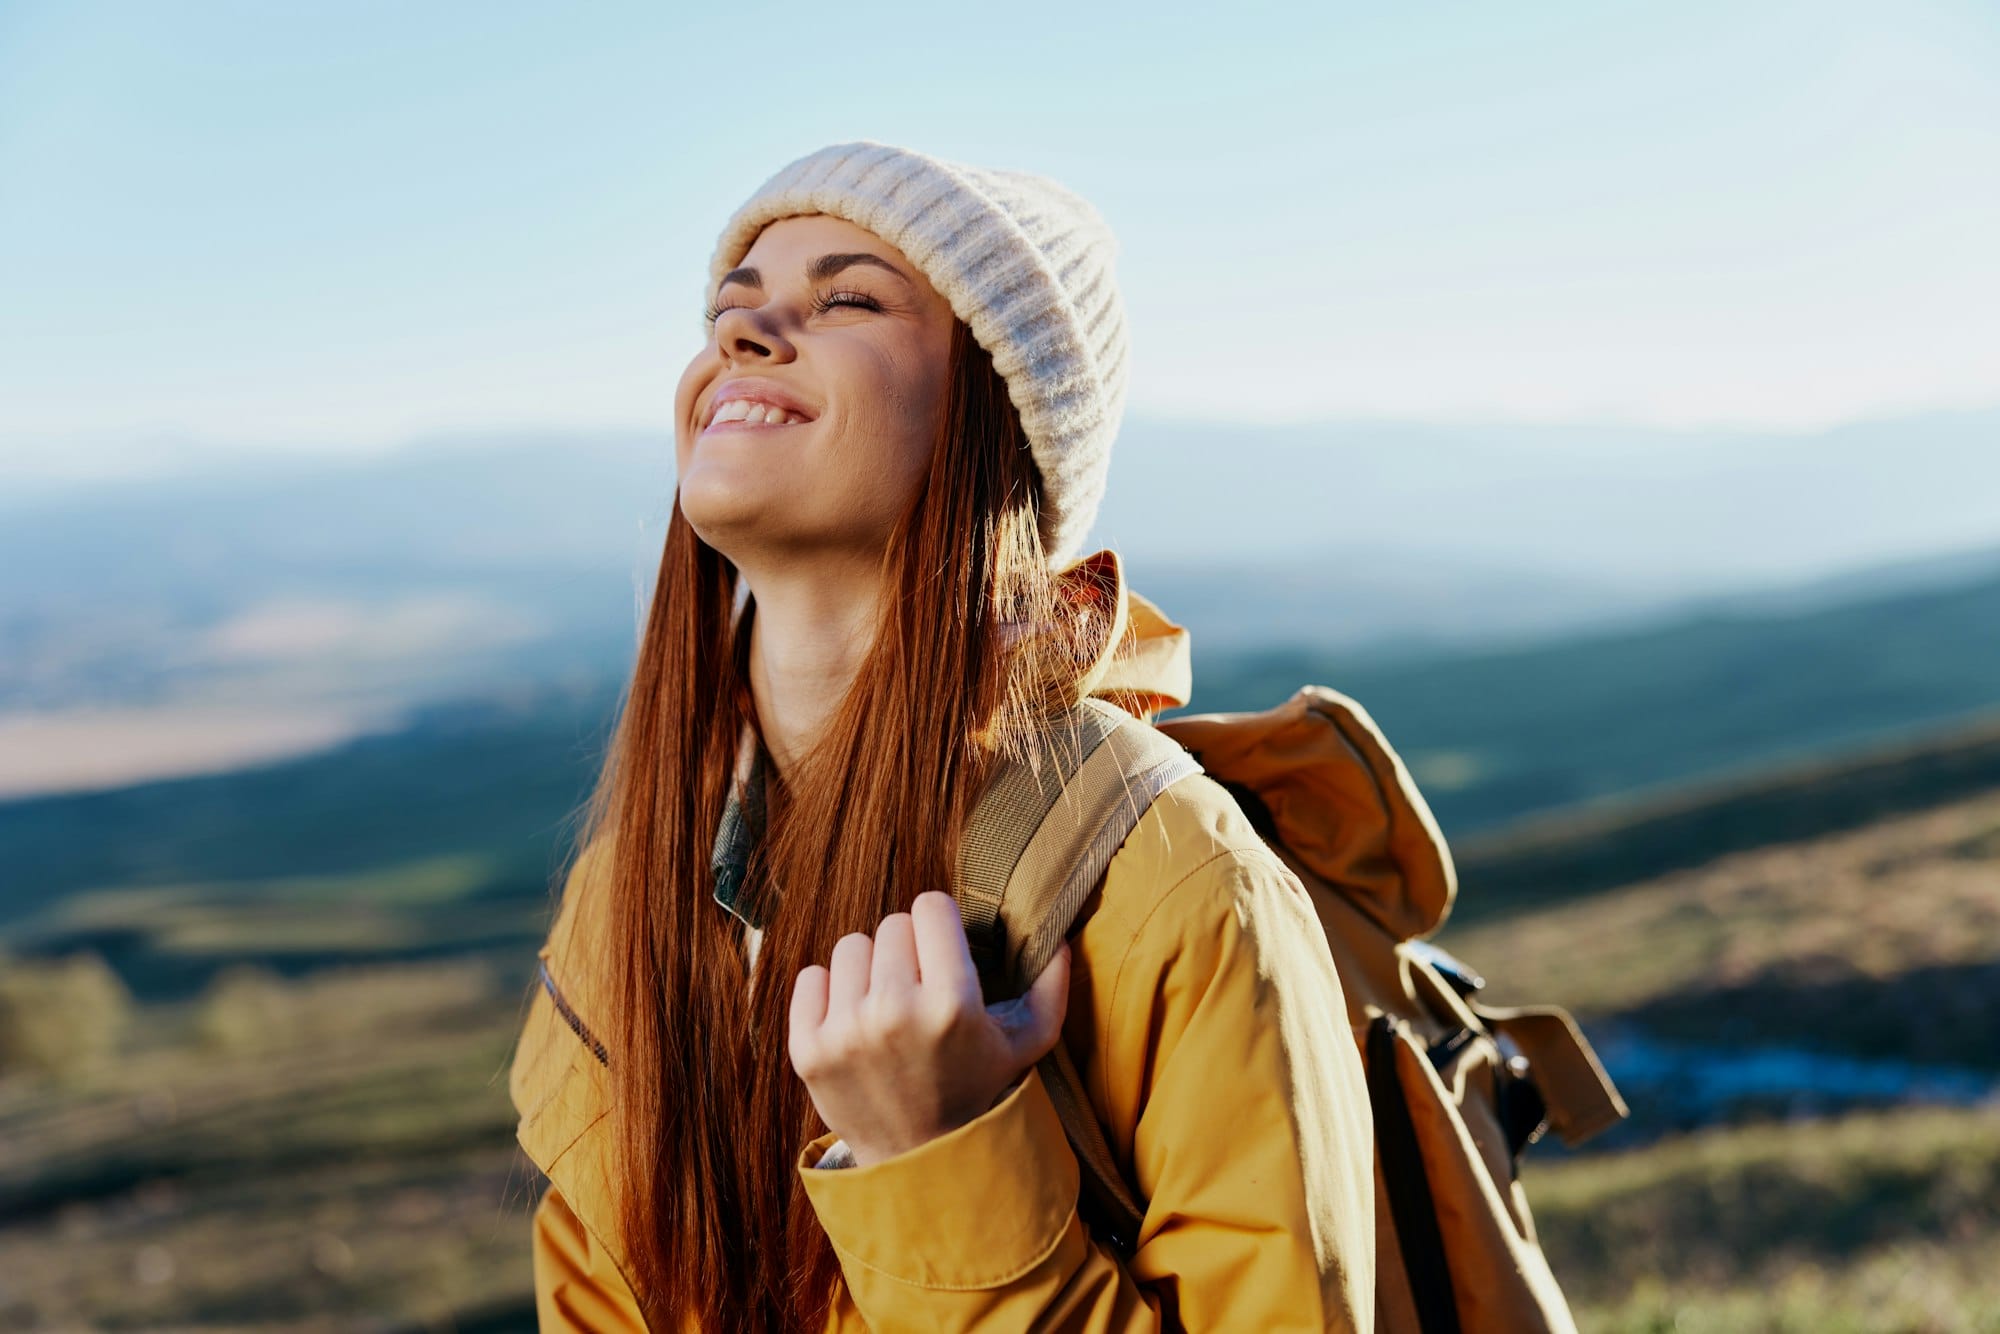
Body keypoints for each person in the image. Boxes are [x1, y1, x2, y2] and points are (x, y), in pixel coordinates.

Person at [508, 139, 1376, 1331]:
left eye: (845, 297)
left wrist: (940, 1159)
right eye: (732, 307)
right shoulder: (626, 899)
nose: (741, 338)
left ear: (998, 415)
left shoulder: (1173, 881)